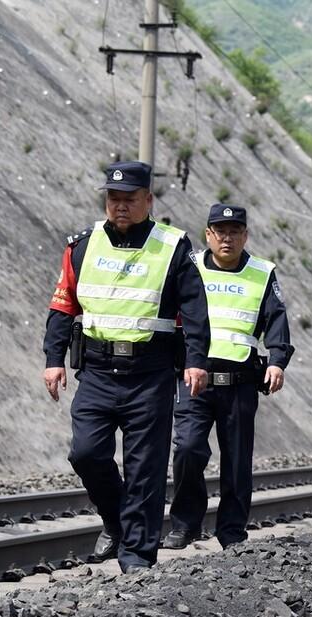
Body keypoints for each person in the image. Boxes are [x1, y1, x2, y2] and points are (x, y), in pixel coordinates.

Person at [42, 161, 210, 573]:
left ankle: (136, 560)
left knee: (144, 470)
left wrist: (196, 361)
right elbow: (64, 305)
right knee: (86, 453)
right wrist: (53, 359)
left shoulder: (173, 247)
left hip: (150, 374)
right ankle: (116, 520)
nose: (120, 206)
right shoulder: (83, 246)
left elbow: (195, 309)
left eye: (129, 199)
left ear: (148, 200)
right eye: (113, 198)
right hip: (97, 372)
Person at [164, 204, 294, 550]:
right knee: (188, 449)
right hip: (194, 379)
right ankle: (185, 524)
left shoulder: (262, 273)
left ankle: (232, 532)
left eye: (235, 232)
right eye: (220, 231)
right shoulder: (189, 266)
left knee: (236, 461)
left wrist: (277, 361)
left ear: (245, 236)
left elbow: (277, 321)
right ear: (208, 234)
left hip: (240, 383)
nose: (227, 238)